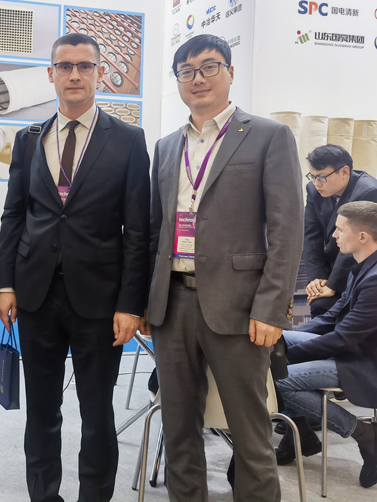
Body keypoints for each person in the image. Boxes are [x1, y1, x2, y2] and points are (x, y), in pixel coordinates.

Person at [144, 34, 303, 501]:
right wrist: (147, 301)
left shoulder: (268, 136)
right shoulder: (167, 147)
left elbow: (287, 229)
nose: (198, 78)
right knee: (178, 428)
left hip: (240, 309)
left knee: (250, 433)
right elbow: (156, 231)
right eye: (186, 71)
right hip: (172, 305)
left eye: (209, 67)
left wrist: (272, 308)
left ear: (230, 73)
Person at [0, 33, 150, 502]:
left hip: (100, 300)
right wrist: (4, 284)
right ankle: (44, 495)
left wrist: (131, 304)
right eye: (65, 66)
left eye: (85, 66)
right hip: (36, 294)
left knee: (96, 412)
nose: (75, 75)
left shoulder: (128, 140)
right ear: (51, 74)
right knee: (41, 410)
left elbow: (138, 230)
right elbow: (14, 216)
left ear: (100, 73)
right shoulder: (28, 139)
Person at [276, 201, 377, 489]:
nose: (334, 236)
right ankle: (299, 433)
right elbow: (333, 317)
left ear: (362, 236)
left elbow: (342, 338)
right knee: (277, 341)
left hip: (372, 364)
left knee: (278, 379)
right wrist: (289, 339)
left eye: (340, 230)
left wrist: (288, 356)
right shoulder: (368, 265)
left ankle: (365, 433)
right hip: (355, 351)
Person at [304, 145, 377, 317]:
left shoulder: (370, 192)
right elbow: (311, 236)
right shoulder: (314, 190)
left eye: (322, 177)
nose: (316, 183)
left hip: (366, 273)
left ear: (344, 172)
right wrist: (317, 279)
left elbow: (359, 243)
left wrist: (333, 285)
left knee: (331, 310)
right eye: (313, 176)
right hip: (334, 271)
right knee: (319, 304)